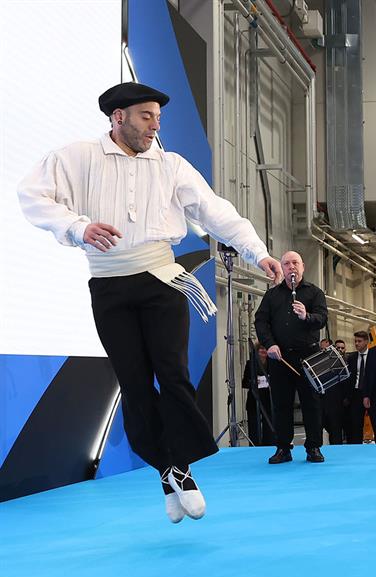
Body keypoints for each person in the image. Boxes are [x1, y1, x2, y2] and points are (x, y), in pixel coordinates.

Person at [17, 81, 281, 523]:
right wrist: (78, 227)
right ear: (117, 117)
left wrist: (260, 252)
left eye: (158, 117)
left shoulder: (172, 165)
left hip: (161, 279)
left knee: (174, 378)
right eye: (146, 116)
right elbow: (32, 196)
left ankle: (183, 469)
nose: (155, 124)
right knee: (135, 387)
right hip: (108, 285)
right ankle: (167, 471)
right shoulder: (77, 157)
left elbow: (217, 212)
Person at [254, 251, 328, 464]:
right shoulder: (272, 295)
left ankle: (314, 447)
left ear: (302, 266)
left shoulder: (315, 293)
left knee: (311, 404)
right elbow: (261, 321)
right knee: (281, 404)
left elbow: (322, 319)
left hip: (308, 357)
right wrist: (269, 344)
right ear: (282, 269)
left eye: (295, 262)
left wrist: (307, 316)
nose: (291, 267)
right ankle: (283, 448)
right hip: (280, 357)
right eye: (286, 264)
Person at [241, 342, 272, 447]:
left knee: (269, 423)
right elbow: (244, 383)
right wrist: (253, 382)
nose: (264, 351)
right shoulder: (250, 364)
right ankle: (254, 445)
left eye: (266, 349)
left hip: (268, 398)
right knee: (253, 423)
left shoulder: (272, 363)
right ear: (256, 351)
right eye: (261, 349)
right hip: (254, 398)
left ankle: (269, 444)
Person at [344, 330, 370, 444]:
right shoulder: (352, 357)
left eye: (359, 341)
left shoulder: (374, 355)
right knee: (355, 424)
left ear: (366, 342)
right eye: (355, 341)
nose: (356, 344)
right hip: (356, 393)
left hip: (371, 392)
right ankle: (356, 447)